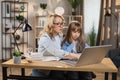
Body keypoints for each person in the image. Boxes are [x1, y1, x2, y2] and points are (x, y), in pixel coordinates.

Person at [32, 14, 80, 79]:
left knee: (73, 72)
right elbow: (56, 52)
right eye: (58, 24)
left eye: (62, 23)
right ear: (51, 25)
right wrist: (75, 55)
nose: (61, 26)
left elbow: (62, 51)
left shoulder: (59, 35)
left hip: (54, 66)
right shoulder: (44, 38)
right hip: (43, 71)